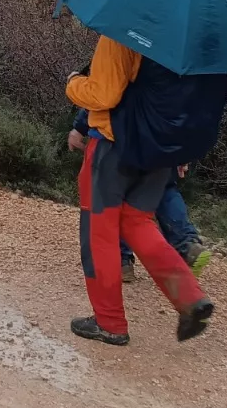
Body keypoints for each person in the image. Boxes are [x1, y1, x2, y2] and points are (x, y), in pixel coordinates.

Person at [66, 36, 219, 346]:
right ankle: (190, 299)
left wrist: (74, 83)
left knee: (99, 234)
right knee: (138, 223)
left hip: (112, 146)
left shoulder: (122, 32)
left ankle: (109, 322)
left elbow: (104, 94)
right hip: (159, 150)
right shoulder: (186, 40)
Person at [69, 110, 210, 282]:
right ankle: (187, 244)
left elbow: (102, 93)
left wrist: (79, 127)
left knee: (118, 198)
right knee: (165, 190)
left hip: (121, 139)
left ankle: (122, 261)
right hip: (162, 139)